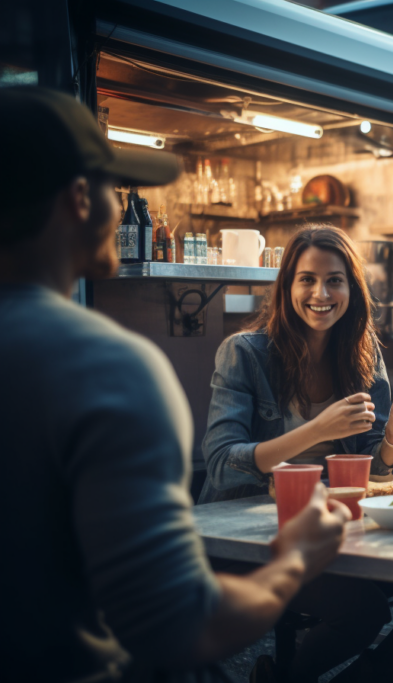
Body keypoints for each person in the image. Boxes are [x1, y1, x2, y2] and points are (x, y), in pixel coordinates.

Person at [0, 86, 349, 683]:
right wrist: (292, 561)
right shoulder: (107, 368)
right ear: (80, 199)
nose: (125, 210)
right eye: (115, 190)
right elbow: (181, 624)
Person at [200, 225, 393, 683]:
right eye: (307, 279)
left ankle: (368, 673)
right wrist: (317, 430)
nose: (321, 293)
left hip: (337, 528)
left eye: (335, 280)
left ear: (351, 288)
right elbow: (223, 463)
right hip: (247, 535)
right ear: (287, 286)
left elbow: (371, 468)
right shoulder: (243, 353)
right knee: (361, 611)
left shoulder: (362, 355)